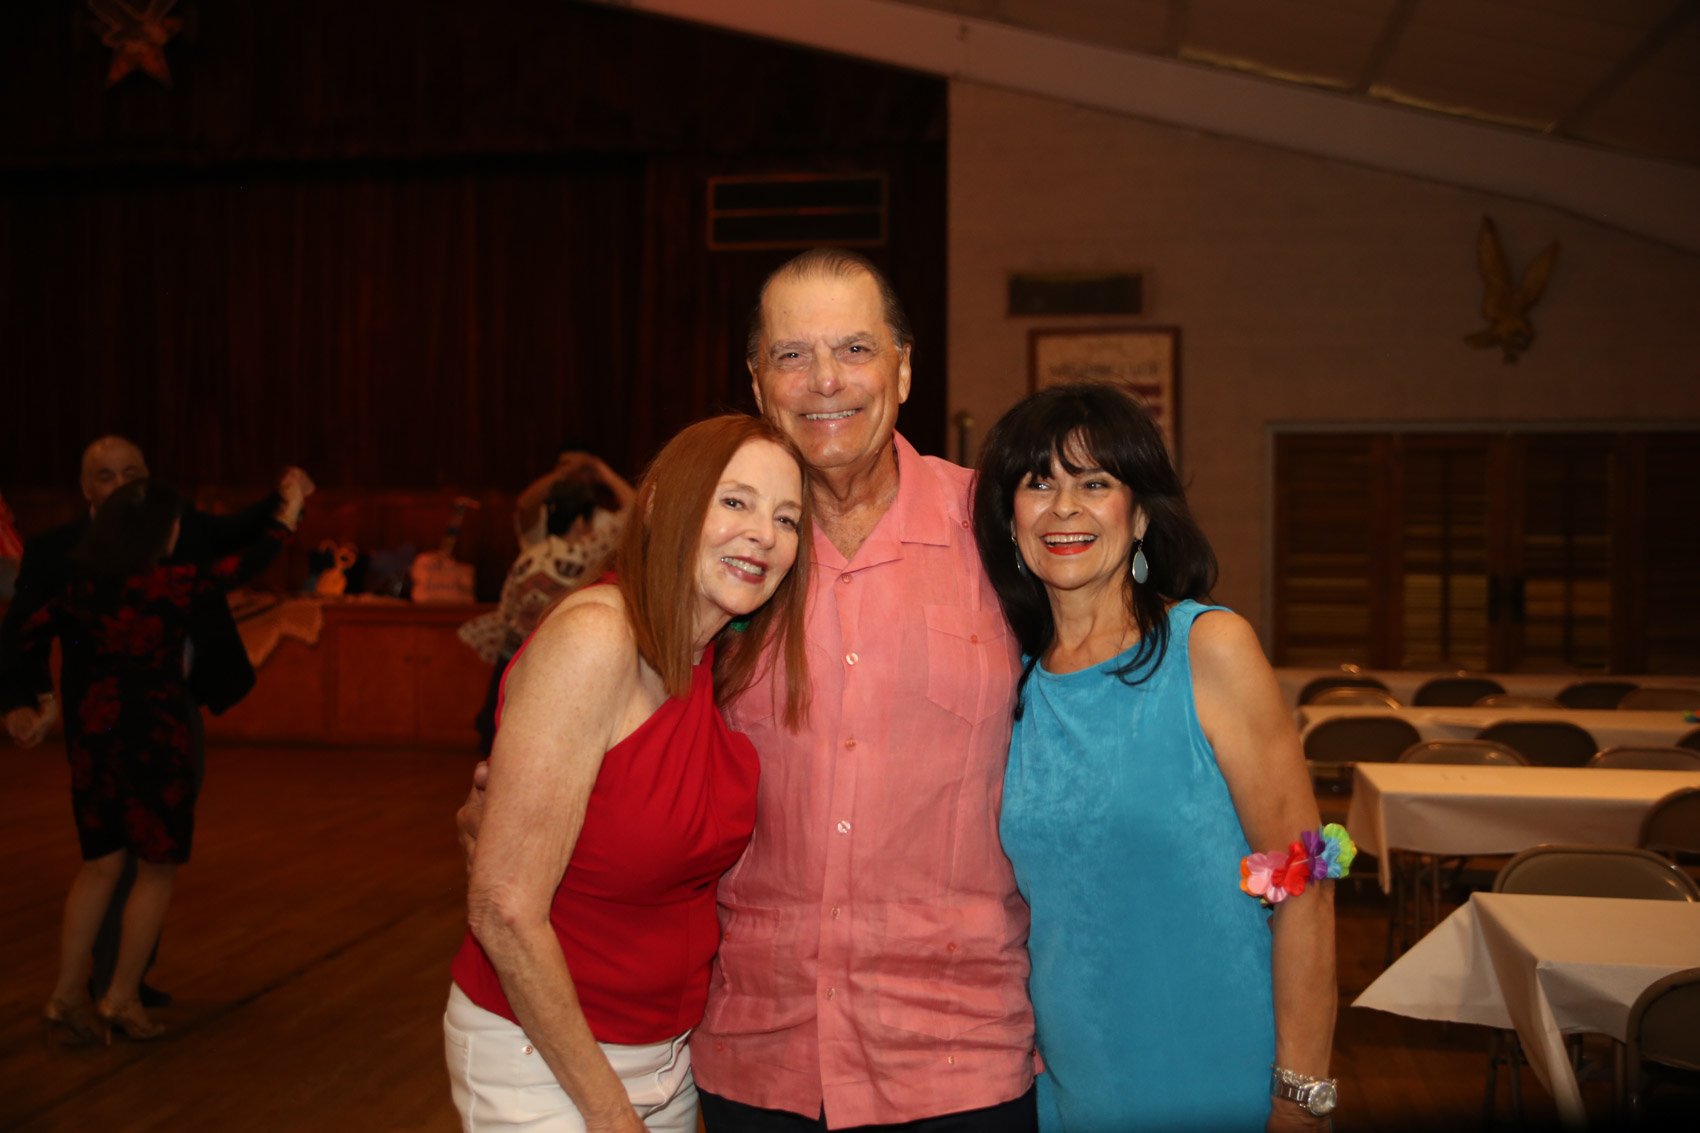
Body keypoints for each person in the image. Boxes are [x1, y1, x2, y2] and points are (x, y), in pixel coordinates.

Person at [462, 250, 1036, 1131]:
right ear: (758, 382)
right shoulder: (723, 571)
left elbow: (1109, 683)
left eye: (854, 348)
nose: (825, 380)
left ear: (903, 369)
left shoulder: (1001, 534)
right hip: (753, 1054)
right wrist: (502, 817)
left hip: (955, 1054)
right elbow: (603, 753)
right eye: (791, 355)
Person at [972, 382, 1342, 1131]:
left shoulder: (1208, 649)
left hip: (1223, 1078)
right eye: (1038, 483)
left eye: (1094, 484)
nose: (1064, 508)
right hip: (1070, 1088)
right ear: (1010, 521)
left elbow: (1304, 882)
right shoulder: (1013, 685)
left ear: (1140, 515)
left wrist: (1301, 1094)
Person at [445, 414, 812, 1133]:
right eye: (735, 501)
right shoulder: (598, 637)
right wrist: (611, 1113)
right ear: (661, 504)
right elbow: (503, 908)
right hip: (547, 1062)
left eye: (786, 518)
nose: (764, 535)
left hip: (668, 1060)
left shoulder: (708, 659)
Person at [2, 435, 315, 1007]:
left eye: (131, 473)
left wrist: (44, 706)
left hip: (100, 734)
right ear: (85, 487)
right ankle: (118, 994)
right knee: (153, 868)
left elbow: (24, 631)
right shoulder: (172, 580)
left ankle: (71, 996)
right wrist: (290, 508)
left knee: (100, 865)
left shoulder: (79, 583)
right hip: (156, 735)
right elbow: (247, 560)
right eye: (106, 475)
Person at [459, 451, 635, 754]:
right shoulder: (588, 553)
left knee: (498, 732)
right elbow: (635, 509)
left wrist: (564, 473)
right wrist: (600, 469)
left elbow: (525, 504)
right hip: (556, 660)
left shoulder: (530, 552)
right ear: (581, 521)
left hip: (512, 656)